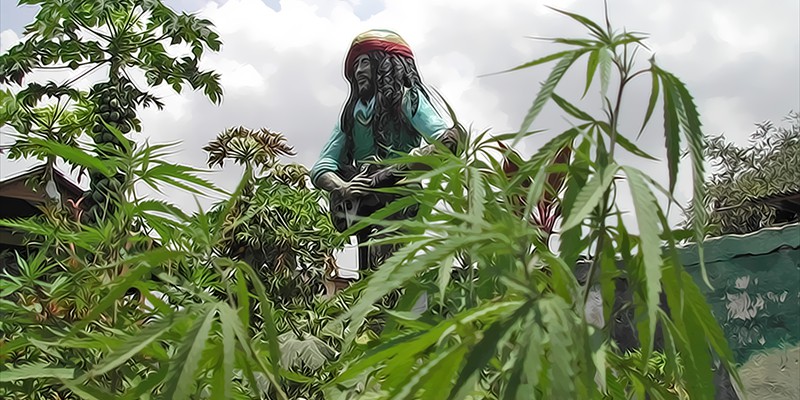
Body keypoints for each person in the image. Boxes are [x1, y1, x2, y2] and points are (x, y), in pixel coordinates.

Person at [310, 29, 462, 271]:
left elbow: (442, 138)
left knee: (388, 266)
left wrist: (427, 153)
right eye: (356, 65)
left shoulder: (409, 100)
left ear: (386, 65)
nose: (359, 71)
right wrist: (342, 187)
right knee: (367, 272)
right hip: (361, 203)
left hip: (399, 196)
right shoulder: (351, 113)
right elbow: (321, 166)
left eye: (365, 63)